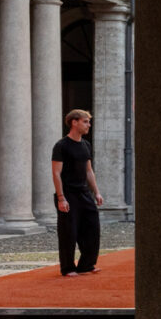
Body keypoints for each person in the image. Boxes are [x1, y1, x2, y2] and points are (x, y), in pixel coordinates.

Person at [51, 109, 105, 276]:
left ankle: (86, 265)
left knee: (92, 228)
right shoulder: (61, 146)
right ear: (74, 122)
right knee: (69, 232)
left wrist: (96, 192)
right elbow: (56, 173)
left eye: (88, 122)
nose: (88, 125)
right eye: (85, 121)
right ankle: (67, 268)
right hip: (68, 194)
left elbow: (89, 171)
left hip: (84, 193)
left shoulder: (86, 145)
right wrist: (61, 198)